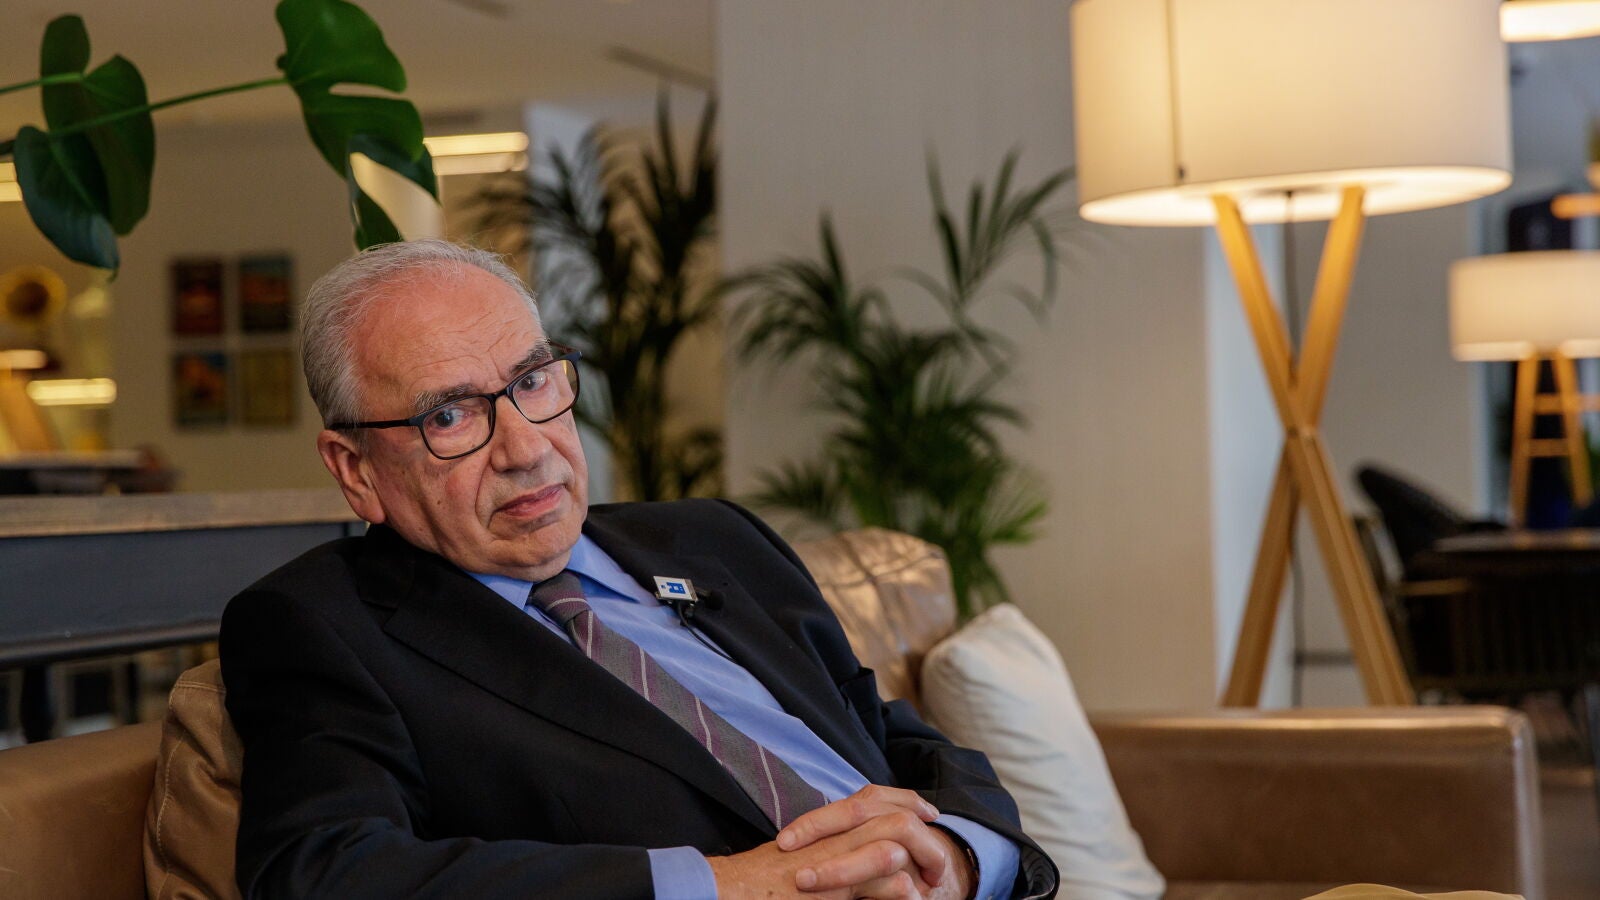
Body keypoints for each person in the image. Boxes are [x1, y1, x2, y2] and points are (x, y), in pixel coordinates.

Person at [220, 240, 1057, 900]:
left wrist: (957, 858)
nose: (526, 448)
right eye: (450, 416)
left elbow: (888, 737)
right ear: (356, 470)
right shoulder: (322, 625)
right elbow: (326, 872)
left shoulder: (715, 538)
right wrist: (727, 887)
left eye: (532, 381)